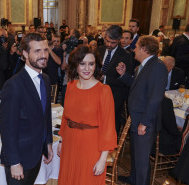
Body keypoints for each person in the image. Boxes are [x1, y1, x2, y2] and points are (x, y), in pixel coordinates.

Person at [57, 45, 117, 184]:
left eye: (91, 64)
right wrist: (61, 140)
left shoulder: (104, 90)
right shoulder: (71, 86)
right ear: (75, 66)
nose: (87, 68)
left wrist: (102, 160)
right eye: (82, 64)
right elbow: (66, 116)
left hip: (90, 145)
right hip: (70, 142)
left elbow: (108, 128)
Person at [0, 33, 53, 185]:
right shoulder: (14, 85)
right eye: (37, 51)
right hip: (20, 158)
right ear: (25, 54)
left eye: (45, 50)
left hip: (36, 154)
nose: (43, 55)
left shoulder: (46, 79)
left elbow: (46, 115)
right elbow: (7, 128)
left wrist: (48, 142)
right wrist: (14, 162)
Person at [116, 36, 168, 185]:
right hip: (136, 118)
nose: (134, 50)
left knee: (142, 161)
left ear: (145, 49)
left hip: (145, 122)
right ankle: (133, 179)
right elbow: (138, 87)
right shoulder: (144, 66)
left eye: (137, 47)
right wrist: (124, 75)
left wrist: (144, 123)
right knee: (136, 156)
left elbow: (155, 98)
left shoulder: (157, 66)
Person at [97, 25, 133, 134]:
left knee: (111, 127)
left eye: (112, 43)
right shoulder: (99, 50)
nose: (109, 44)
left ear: (119, 40)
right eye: (107, 41)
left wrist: (105, 78)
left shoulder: (126, 56)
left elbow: (126, 81)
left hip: (114, 97)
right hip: (96, 93)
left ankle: (111, 149)